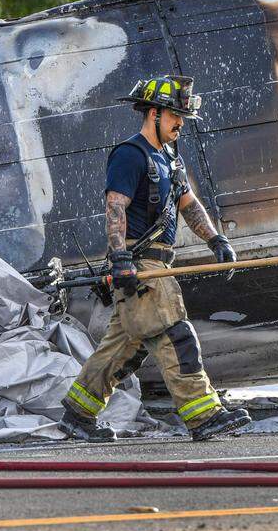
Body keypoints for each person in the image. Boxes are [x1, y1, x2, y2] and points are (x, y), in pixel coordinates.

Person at [59, 75, 252, 442]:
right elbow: (115, 207)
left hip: (156, 263)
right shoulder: (130, 155)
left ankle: (77, 414)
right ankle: (204, 415)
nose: (180, 124)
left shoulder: (169, 159)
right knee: (174, 335)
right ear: (154, 113)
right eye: (175, 115)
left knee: (122, 349)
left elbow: (188, 204)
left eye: (182, 117)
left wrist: (216, 240)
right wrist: (120, 260)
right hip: (141, 265)